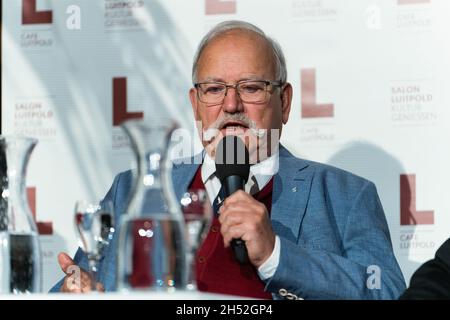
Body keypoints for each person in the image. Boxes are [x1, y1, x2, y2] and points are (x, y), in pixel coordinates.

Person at [51, 20, 406, 299]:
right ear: (195, 103)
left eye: (251, 87)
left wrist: (277, 255)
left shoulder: (346, 195)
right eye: (215, 89)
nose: (232, 105)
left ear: (284, 102)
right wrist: (74, 292)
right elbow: (75, 284)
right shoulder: (132, 190)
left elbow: (387, 291)